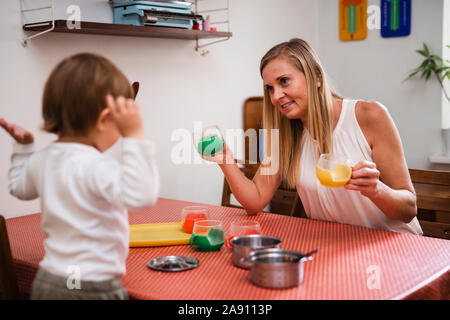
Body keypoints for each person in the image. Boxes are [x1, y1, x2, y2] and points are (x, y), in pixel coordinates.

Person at [205, 38, 422, 235]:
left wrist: (377, 190)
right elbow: (255, 200)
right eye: (270, 88)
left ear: (316, 77)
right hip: (336, 247)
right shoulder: (286, 135)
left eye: (284, 81)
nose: (276, 96)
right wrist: (225, 159)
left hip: (393, 247)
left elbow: (408, 209)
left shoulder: (370, 116)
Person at [0, 53, 160, 299]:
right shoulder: (97, 166)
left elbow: (19, 188)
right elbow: (142, 197)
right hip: (93, 287)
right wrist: (136, 136)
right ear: (104, 119)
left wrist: (24, 149)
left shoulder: (43, 158)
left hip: (48, 281)